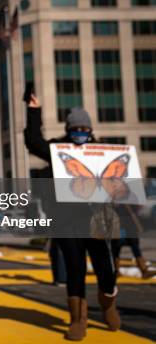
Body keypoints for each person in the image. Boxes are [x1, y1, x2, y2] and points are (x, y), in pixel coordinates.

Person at [24, 95, 120, 341]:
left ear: (90, 130)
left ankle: (108, 303)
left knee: (105, 270)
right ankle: (78, 319)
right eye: (75, 129)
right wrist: (34, 112)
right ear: (69, 130)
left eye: (84, 129)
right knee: (75, 269)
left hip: (97, 220)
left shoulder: (102, 151)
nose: (80, 132)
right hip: (67, 221)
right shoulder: (58, 150)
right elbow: (34, 143)